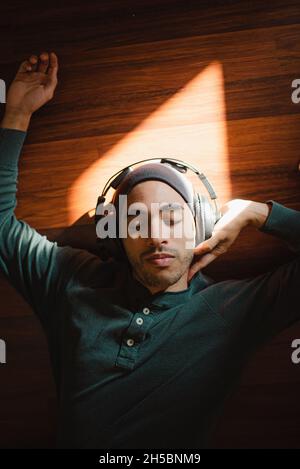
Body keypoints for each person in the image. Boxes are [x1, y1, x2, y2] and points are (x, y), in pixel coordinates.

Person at [0, 52, 299, 449]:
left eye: (173, 218)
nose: (157, 235)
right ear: (115, 235)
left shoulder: (237, 309)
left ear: (202, 227)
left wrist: (257, 214)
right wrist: (17, 113)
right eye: (137, 221)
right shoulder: (68, 281)